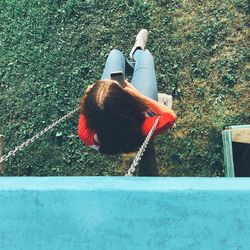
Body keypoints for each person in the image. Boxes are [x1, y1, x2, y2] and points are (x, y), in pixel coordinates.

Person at [78, 29, 176, 155]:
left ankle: (136, 68)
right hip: (138, 124)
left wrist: (88, 96)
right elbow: (170, 116)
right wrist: (138, 95)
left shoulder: (85, 133)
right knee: (145, 57)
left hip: (122, 138)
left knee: (115, 54)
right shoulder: (144, 128)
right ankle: (138, 51)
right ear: (127, 102)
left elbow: (84, 109)